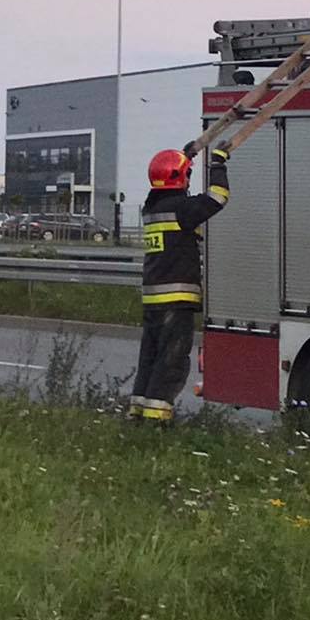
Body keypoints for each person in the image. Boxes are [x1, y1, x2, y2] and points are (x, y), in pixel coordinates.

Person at [128, 143, 231, 423]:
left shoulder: (152, 209)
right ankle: (157, 420)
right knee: (170, 362)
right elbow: (217, 197)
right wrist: (218, 164)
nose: (187, 181)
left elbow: (177, 185)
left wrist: (187, 159)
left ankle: (138, 412)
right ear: (179, 179)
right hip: (176, 300)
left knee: (149, 359)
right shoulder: (181, 209)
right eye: (185, 176)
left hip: (153, 300)